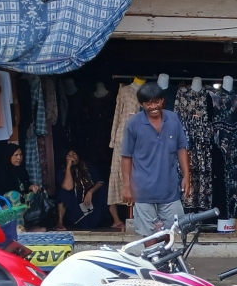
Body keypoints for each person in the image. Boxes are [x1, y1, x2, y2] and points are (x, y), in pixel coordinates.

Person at [121, 83, 191, 236]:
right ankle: (153, 254)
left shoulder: (173, 119)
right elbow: (126, 156)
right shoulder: (133, 124)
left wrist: (187, 176)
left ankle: (165, 254)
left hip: (170, 191)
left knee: (171, 232)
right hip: (143, 191)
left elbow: (181, 148)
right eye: (148, 103)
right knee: (149, 235)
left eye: (156, 102)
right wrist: (127, 186)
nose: (153, 106)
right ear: (141, 104)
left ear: (162, 100)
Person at [55, 149, 107, 230]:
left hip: (92, 208)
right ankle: (60, 223)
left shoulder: (87, 166)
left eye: (74, 154)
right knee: (63, 193)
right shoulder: (62, 171)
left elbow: (100, 182)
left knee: (105, 189)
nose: (72, 157)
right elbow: (68, 187)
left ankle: (116, 221)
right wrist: (68, 167)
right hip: (76, 212)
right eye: (69, 155)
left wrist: (90, 192)